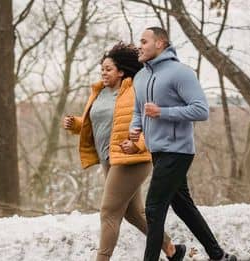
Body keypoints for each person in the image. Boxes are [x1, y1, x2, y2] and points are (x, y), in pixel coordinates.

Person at [63, 42, 185, 261]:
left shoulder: (135, 91)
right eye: (102, 69)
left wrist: (137, 144)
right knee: (132, 213)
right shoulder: (99, 93)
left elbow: (153, 124)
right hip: (109, 159)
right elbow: (98, 124)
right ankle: (171, 249)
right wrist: (76, 125)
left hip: (133, 158)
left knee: (109, 211)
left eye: (108, 69)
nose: (103, 73)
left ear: (121, 71)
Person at [129, 27, 237, 261]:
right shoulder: (140, 77)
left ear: (160, 43)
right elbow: (138, 111)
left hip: (177, 150)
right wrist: (134, 130)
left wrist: (162, 112)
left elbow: (201, 110)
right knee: (183, 206)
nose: (140, 45)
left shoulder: (181, 73)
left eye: (144, 41)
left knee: (154, 208)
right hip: (156, 150)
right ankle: (218, 255)